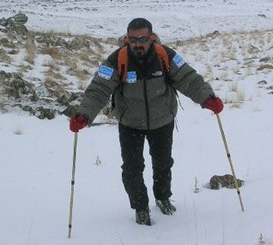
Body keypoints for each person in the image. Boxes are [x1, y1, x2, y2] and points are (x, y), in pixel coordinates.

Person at [69, 18, 224, 226]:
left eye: (142, 38)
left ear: (151, 37)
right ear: (127, 38)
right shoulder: (117, 60)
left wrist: (207, 97)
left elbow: (188, 79)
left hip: (162, 121)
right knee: (132, 168)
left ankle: (162, 197)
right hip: (130, 123)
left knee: (163, 164)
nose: (137, 43)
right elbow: (99, 89)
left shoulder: (165, 56)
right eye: (133, 39)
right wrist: (84, 114)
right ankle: (140, 207)